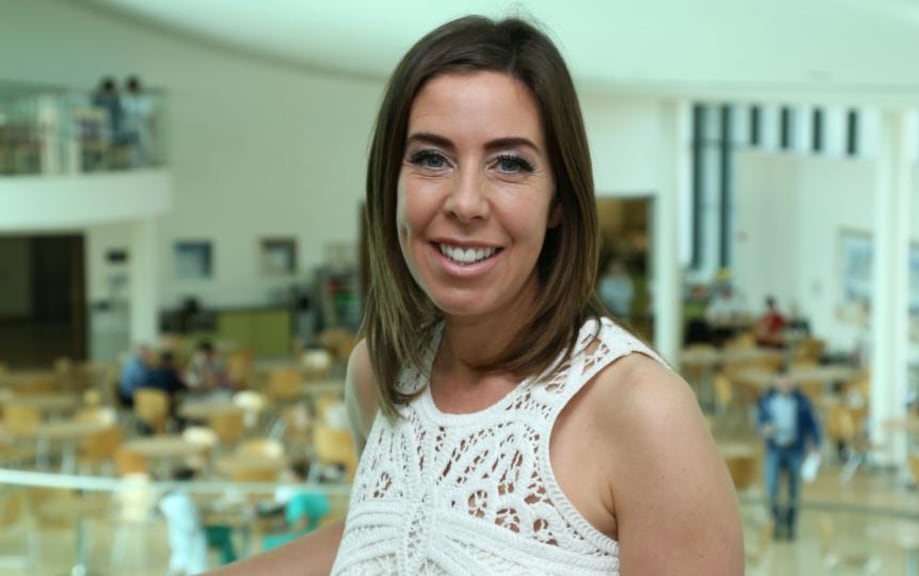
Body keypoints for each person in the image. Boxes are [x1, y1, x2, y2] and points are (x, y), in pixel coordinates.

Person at [206, 15, 742, 575]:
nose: (465, 202)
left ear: (559, 200)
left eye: (509, 164)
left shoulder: (642, 412)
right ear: (391, 182)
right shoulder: (378, 373)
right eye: (431, 158)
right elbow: (395, 533)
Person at [757, 370, 821, 540]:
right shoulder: (768, 401)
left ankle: (791, 525)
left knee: (794, 491)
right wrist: (765, 428)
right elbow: (761, 421)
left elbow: (812, 424)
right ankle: (777, 522)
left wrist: (816, 445)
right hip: (775, 448)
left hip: (794, 449)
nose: (785, 385)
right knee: (771, 488)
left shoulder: (802, 402)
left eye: (788, 381)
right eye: (782, 381)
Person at [261, 461, 331, 550]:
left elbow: (301, 524)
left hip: (302, 540)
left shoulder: (299, 497)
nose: (285, 477)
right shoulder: (316, 494)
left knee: (269, 541)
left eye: (287, 474)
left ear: (294, 475)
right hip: (315, 536)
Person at [159, 467, 209, 575]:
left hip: (180, 540)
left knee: (179, 564)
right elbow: (190, 525)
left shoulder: (171, 499)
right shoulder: (182, 500)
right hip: (189, 541)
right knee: (188, 566)